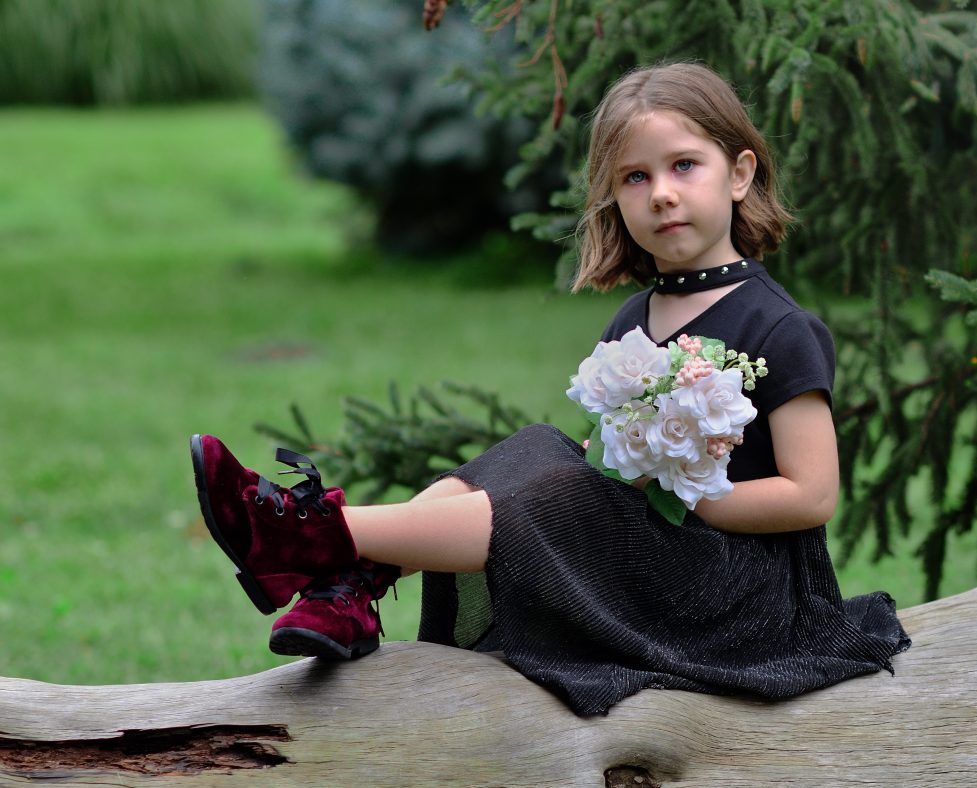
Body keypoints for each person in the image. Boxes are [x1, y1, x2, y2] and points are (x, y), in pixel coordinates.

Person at [191, 62, 910, 717]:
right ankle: (353, 581)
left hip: (737, 598)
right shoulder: (635, 320)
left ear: (740, 173)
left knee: (561, 491)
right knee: (539, 447)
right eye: (634, 177)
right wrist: (619, 466)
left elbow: (812, 495)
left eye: (684, 165)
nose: (662, 193)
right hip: (656, 563)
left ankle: (318, 536)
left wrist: (683, 489)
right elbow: (603, 461)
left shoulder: (779, 327)